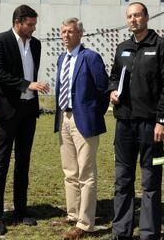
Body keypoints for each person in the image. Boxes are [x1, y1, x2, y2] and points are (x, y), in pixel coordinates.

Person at [108, 2, 164, 240]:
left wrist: (162, 120)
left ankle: (148, 234)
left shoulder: (162, 47)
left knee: (150, 182)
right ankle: (121, 232)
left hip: (151, 126)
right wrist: (111, 92)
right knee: (122, 181)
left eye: (137, 15)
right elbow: (114, 76)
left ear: (146, 17)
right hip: (124, 125)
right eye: (129, 16)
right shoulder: (122, 48)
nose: (133, 19)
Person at [0, 4, 50, 235]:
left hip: (28, 110)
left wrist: (32, 89)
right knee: (1, 162)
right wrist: (26, 84)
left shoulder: (36, 44)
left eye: (34, 24)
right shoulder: (0, 40)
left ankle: (21, 210)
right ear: (18, 22)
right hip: (6, 111)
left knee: (23, 161)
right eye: (30, 24)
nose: (33, 29)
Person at [53, 17, 109, 240]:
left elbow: (104, 90)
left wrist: (93, 115)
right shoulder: (61, 59)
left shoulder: (90, 58)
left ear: (80, 34)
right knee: (69, 171)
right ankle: (73, 214)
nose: (66, 35)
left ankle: (86, 224)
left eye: (70, 31)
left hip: (84, 121)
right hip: (64, 119)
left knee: (86, 173)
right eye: (63, 31)